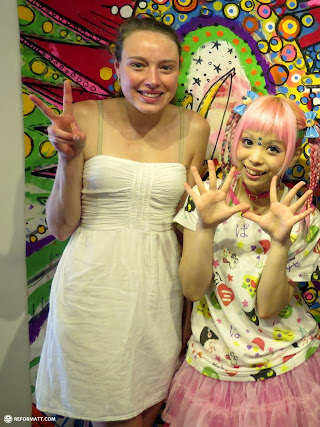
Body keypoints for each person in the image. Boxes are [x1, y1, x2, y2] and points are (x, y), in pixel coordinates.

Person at [29, 17, 210, 426]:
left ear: (179, 71)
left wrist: (187, 316)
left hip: (158, 290)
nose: (153, 79)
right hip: (93, 290)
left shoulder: (195, 128)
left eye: (166, 67)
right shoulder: (83, 118)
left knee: (146, 413)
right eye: (138, 65)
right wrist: (68, 157)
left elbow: (187, 229)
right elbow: (60, 227)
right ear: (117, 65)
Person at [163, 93, 320, 427]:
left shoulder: (303, 218)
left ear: (293, 153)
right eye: (248, 142)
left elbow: (269, 308)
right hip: (214, 368)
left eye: (272, 149)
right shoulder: (207, 198)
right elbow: (193, 290)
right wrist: (205, 225)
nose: (255, 158)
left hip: (287, 366)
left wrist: (281, 240)